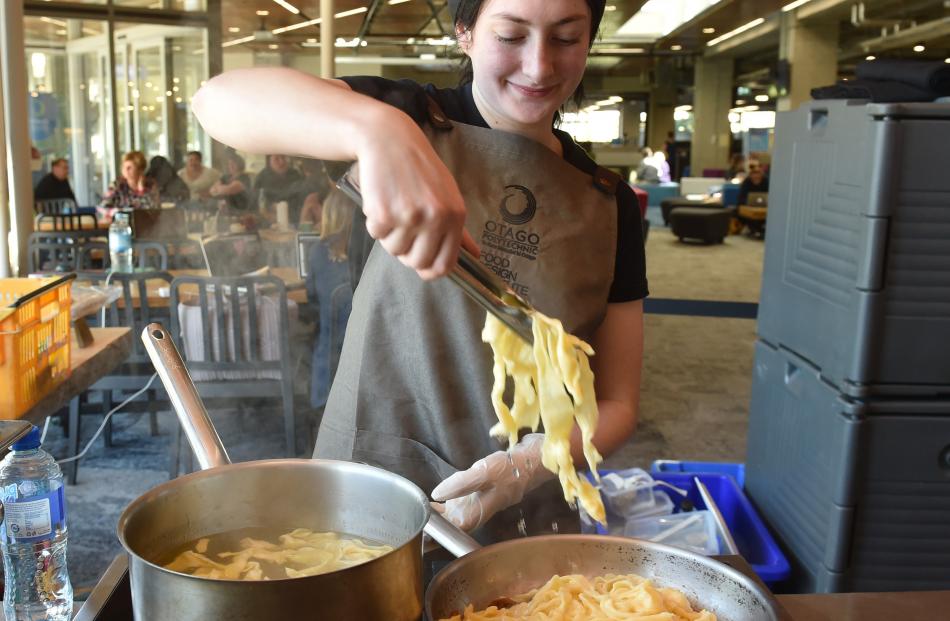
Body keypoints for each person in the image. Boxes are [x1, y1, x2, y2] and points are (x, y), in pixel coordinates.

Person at [192, 0, 645, 539]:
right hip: (368, 480)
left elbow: (617, 401)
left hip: (526, 510)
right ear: (465, 33)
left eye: (566, 38)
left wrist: (530, 464)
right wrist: (378, 129)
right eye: (511, 35)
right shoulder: (411, 117)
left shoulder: (608, 202)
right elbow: (217, 101)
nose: (539, 65)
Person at [306, 190, 356, 409]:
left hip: (329, 358)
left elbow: (311, 299)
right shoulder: (364, 251)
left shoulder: (318, 251)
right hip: (362, 349)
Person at [98, 151, 157, 222]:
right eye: (124, 167)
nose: (125, 170)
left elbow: (154, 210)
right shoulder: (117, 185)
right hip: (121, 224)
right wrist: (120, 213)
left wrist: (141, 191)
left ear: (140, 170)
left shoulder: (150, 185)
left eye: (129, 168)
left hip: (146, 226)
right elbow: (103, 207)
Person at [253, 154, 304, 221]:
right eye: (276, 159)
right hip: (268, 220)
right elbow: (256, 202)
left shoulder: (295, 175)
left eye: (283, 157)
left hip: (293, 218)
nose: (281, 162)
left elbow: (301, 198)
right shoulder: (262, 177)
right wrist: (269, 207)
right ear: (269, 161)